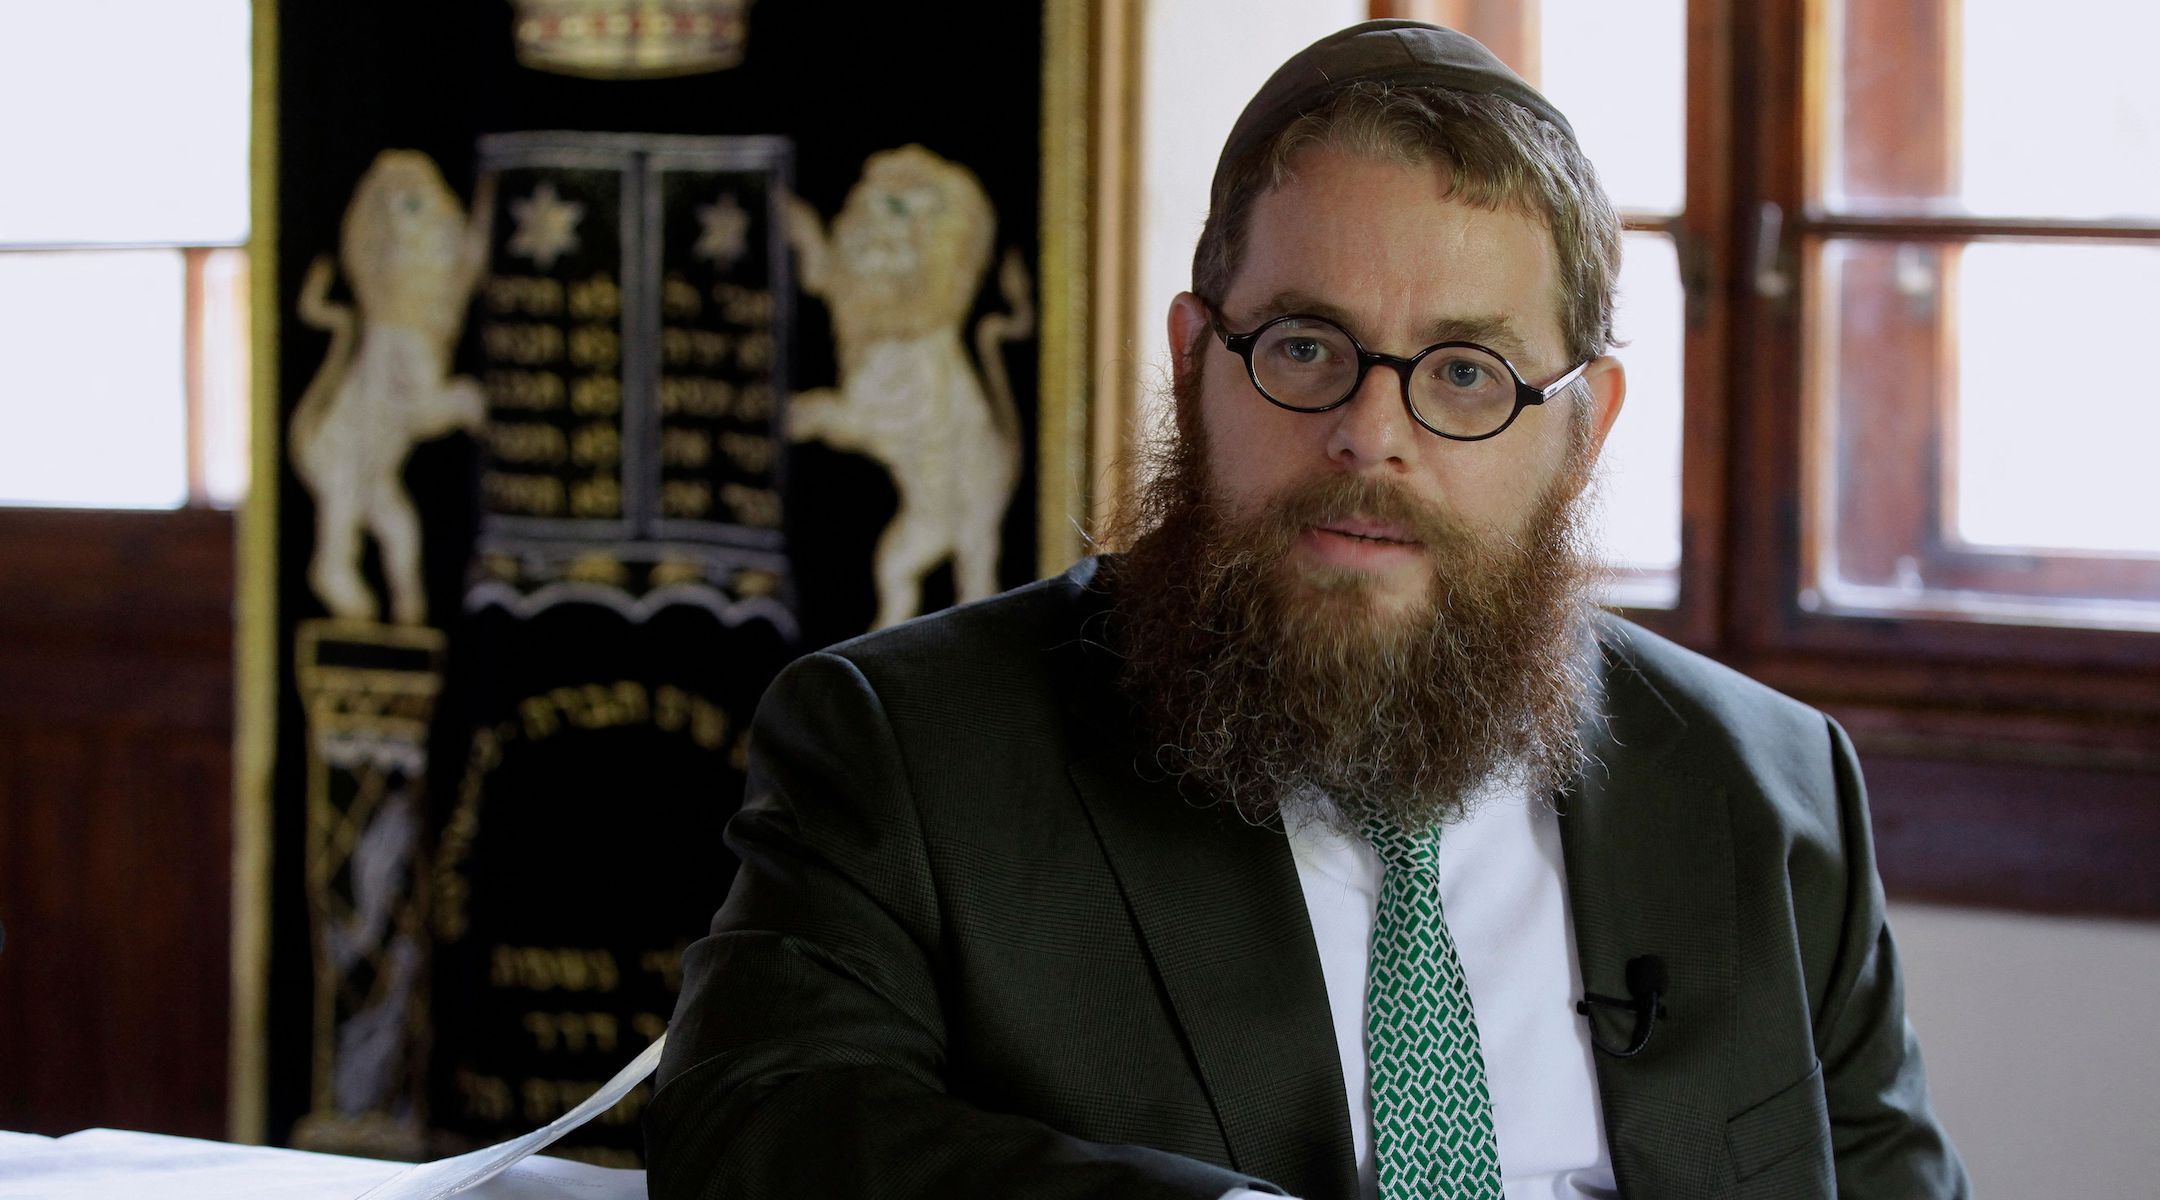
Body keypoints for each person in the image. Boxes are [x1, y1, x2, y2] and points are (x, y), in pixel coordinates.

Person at [645, 20, 1969, 1200]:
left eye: (1467, 373)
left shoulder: (1772, 788)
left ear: (1581, 430)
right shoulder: (908, 745)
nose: (1367, 434)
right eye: (1303, 349)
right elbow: (751, 1135)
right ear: (1191, 362)